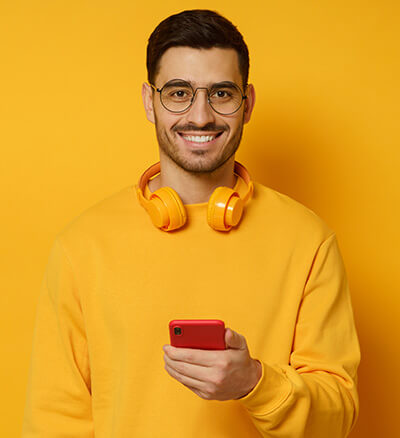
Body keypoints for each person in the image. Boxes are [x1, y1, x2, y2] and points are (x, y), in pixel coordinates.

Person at [22, 9, 360, 438]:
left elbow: (338, 417)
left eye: (221, 93)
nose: (201, 116)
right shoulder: (81, 245)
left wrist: (255, 382)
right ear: (149, 101)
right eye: (179, 93)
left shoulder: (309, 240)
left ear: (248, 102)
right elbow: (54, 422)